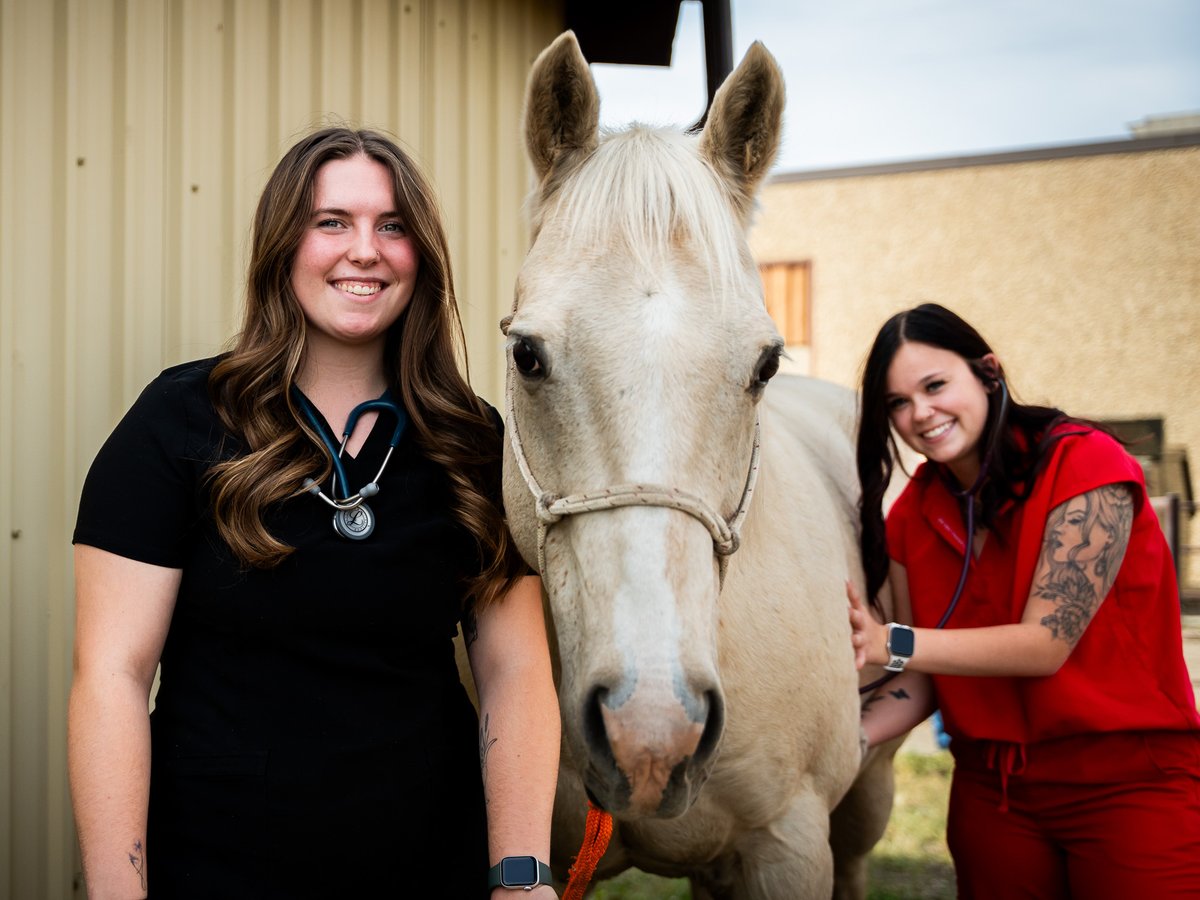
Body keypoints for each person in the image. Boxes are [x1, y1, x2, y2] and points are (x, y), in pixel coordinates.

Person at [67, 127, 560, 899]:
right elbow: (111, 676)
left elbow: (516, 669)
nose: (364, 249)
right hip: (219, 867)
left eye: (392, 226)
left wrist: (521, 877)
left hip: (431, 863)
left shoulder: (473, 441)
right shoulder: (176, 422)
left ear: (420, 256)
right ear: (282, 244)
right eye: (332, 221)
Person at [847, 303, 1200, 898]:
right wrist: (847, 741)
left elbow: (1045, 643)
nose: (920, 414)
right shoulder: (911, 515)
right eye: (897, 404)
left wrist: (890, 642)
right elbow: (926, 673)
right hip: (994, 794)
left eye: (935, 386)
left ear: (988, 372)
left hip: (1131, 784)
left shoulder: (1087, 463)